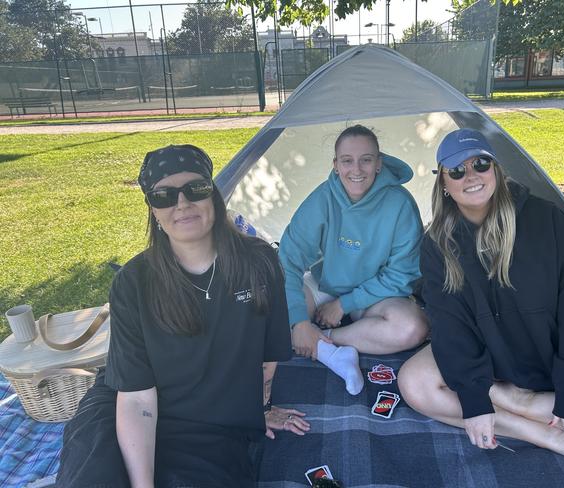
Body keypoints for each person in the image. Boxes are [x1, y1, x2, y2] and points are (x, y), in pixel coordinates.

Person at [397, 128, 564, 483]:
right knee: (414, 383)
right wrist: (474, 397)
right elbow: (450, 324)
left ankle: (524, 406)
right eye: (456, 170)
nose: (470, 175)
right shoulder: (438, 245)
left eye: (481, 163)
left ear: (497, 171)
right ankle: (547, 434)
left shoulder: (548, 221)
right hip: (502, 357)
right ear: (444, 184)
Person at [56, 144, 309, 488]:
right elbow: (136, 397)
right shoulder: (133, 282)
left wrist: (260, 408)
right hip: (125, 404)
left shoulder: (259, 263)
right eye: (164, 195)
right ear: (153, 210)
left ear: (214, 196)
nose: (182, 203)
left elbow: (267, 357)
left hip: (211, 423)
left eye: (196, 189)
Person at [279, 125, 428, 395]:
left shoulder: (400, 205)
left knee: (413, 327)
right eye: (347, 161)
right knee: (266, 318)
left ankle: (325, 341)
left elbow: (402, 274)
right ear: (336, 165)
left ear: (379, 163)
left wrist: (345, 304)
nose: (356, 170)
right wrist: (300, 321)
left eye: (366, 160)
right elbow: (288, 260)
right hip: (325, 283)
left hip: (373, 294)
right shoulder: (322, 199)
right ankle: (328, 350)